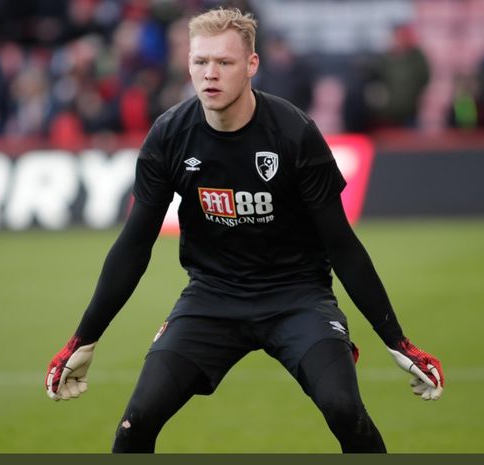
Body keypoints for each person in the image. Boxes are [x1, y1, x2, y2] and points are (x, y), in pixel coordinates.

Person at [45, 8, 444, 453]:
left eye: (224, 62)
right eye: (200, 62)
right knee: (134, 426)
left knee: (344, 410)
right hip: (211, 298)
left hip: (298, 298)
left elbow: (343, 246)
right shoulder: (169, 135)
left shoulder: (294, 134)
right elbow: (135, 244)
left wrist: (397, 340)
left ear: (251, 65)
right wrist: (84, 339)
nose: (209, 74)